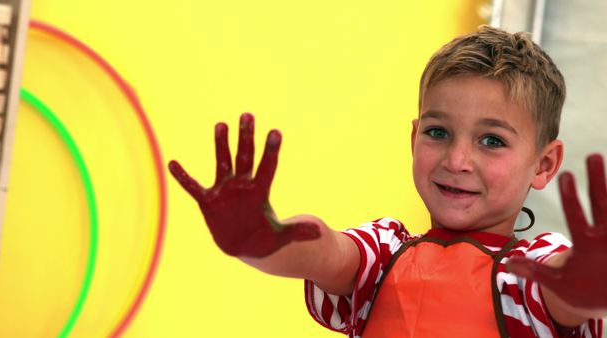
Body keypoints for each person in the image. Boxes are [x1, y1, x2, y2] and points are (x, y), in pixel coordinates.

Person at [168, 25, 606, 337]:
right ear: (414, 138)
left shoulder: (527, 271)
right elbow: (327, 253)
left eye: (491, 140)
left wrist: (590, 277)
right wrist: (263, 239)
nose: (457, 159)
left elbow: (562, 288)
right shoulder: (384, 255)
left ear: (544, 164)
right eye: (438, 132)